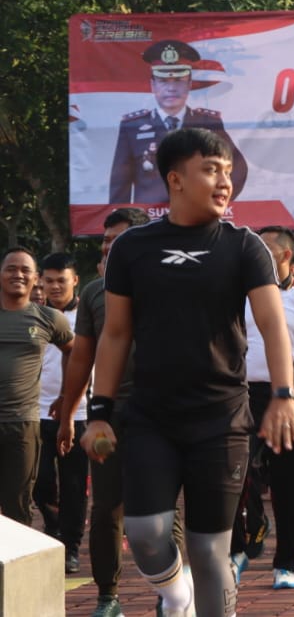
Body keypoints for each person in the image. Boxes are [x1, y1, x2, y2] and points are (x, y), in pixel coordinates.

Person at [81, 127, 294, 617]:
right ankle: (176, 595)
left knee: (207, 549)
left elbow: (272, 324)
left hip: (221, 421)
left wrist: (284, 394)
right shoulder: (132, 249)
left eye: (227, 172)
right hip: (151, 417)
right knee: (146, 535)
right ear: (175, 180)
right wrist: (100, 410)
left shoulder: (245, 247)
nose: (224, 182)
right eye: (211, 170)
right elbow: (115, 335)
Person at [58, 207, 156, 617]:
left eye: (115, 240)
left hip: (161, 412)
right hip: (107, 413)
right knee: (106, 509)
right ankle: (107, 596)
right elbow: (81, 358)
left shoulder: (168, 283)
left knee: (160, 508)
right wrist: (68, 414)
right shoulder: (96, 292)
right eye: (104, 242)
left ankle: (174, 593)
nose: (107, 248)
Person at [230, 227, 294, 590]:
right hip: (238, 395)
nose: (256, 252)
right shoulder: (235, 289)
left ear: (286, 256)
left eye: (266, 248)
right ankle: (238, 547)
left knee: (289, 484)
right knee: (234, 474)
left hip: (288, 398)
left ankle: (287, 563)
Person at [109, 39, 248, 204]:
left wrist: (217, 202)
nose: (171, 88)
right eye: (163, 81)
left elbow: (238, 167)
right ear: (152, 85)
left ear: (189, 84)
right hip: (149, 222)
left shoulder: (208, 122)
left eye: (178, 80)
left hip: (197, 218)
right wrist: (122, 220)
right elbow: (120, 181)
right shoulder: (133, 126)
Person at [1, 247, 73, 527]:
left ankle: (14, 572)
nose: (18, 274)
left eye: (25, 270)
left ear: (36, 280)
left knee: (17, 507)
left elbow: (74, 352)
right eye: (11, 268)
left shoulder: (49, 318)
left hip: (22, 424)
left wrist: (66, 394)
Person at [34, 252, 89, 573]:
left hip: (80, 414)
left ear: (75, 280)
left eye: (61, 280)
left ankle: (70, 547)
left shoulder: (88, 315)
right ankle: (52, 528)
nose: (54, 286)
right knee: (39, 483)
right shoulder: (33, 314)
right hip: (35, 413)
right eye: (49, 280)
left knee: (73, 486)